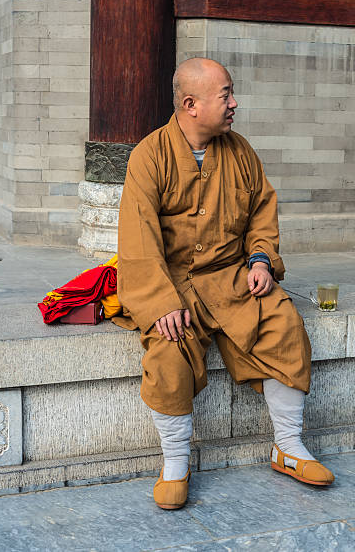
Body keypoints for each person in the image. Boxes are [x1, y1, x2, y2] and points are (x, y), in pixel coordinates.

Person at [117, 57, 335, 510]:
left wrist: (260, 258)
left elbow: (261, 211)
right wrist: (160, 301)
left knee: (283, 323)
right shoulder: (149, 156)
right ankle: (175, 462)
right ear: (191, 104)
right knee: (169, 348)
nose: (234, 103)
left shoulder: (239, 151)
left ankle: (289, 448)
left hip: (231, 277)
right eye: (226, 95)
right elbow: (137, 239)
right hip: (172, 282)